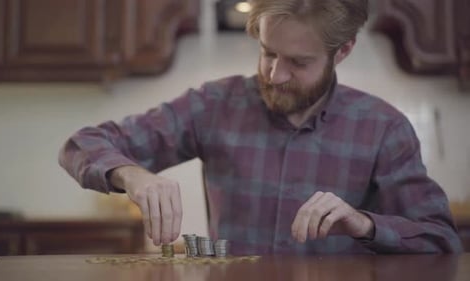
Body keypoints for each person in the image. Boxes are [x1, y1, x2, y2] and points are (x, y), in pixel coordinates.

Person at [59, 0, 463, 254]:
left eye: (298, 63)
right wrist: (131, 175)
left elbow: (441, 240)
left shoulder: (384, 128)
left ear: (342, 52)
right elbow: (81, 144)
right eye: (267, 53)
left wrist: (365, 223)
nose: (274, 74)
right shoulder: (214, 104)